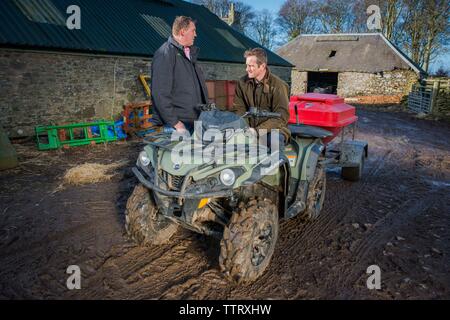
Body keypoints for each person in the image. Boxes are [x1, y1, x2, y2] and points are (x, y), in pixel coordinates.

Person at [151, 16, 208, 133]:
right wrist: (176, 123)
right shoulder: (165, 54)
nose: (195, 34)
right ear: (182, 32)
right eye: (193, 30)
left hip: (196, 121)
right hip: (178, 125)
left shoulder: (189, 53)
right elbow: (159, 93)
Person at [231, 48, 290, 153]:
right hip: (248, 127)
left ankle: (278, 168)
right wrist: (245, 128)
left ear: (262, 66)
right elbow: (239, 109)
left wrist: (257, 131)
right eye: (247, 65)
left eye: (251, 66)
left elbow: (281, 117)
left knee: (274, 141)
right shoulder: (242, 83)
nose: (247, 69)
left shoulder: (278, 86)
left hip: (273, 129)